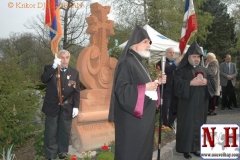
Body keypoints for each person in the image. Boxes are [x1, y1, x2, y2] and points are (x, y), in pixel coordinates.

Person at [108, 25, 167, 160]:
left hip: (142, 122)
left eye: (149, 42)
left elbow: (143, 85)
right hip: (131, 124)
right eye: (145, 42)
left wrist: (157, 82)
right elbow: (121, 91)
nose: (149, 45)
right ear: (135, 44)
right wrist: (145, 87)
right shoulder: (127, 63)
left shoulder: (139, 62)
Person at [173, 42, 215, 159]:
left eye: (198, 57)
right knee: (187, 126)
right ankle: (186, 149)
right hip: (187, 105)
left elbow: (213, 83)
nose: (196, 59)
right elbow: (176, 84)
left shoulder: (204, 70)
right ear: (189, 57)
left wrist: (207, 82)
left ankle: (197, 148)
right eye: (194, 56)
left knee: (200, 125)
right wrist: (190, 83)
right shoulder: (181, 70)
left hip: (201, 104)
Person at [41, 50, 80, 160]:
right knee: (51, 131)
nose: (64, 60)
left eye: (67, 57)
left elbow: (76, 91)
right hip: (52, 105)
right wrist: (54, 66)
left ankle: (62, 151)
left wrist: (76, 106)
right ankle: (51, 154)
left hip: (67, 106)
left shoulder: (74, 72)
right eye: (62, 57)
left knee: (64, 130)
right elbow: (44, 79)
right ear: (57, 58)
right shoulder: (50, 68)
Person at [158, 47, 181, 128]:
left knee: (173, 107)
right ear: (166, 53)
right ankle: (165, 124)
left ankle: (171, 123)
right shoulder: (162, 62)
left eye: (173, 53)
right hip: (166, 89)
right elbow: (168, 69)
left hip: (174, 89)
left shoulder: (175, 63)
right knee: (165, 107)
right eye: (170, 52)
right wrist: (176, 62)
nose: (172, 54)